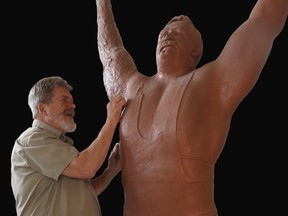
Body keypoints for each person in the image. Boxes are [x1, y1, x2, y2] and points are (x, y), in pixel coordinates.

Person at [95, 0, 287, 215]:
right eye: (163, 34)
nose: (167, 36)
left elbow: (263, 20)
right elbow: (111, 51)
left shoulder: (213, 82)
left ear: (195, 49)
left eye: (177, 33)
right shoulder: (130, 88)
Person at [10, 76, 126, 216]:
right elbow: (86, 167)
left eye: (72, 101)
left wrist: (111, 170)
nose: (72, 106)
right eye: (64, 100)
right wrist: (112, 119)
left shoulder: (59, 145)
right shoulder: (32, 140)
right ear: (42, 109)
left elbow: (85, 192)